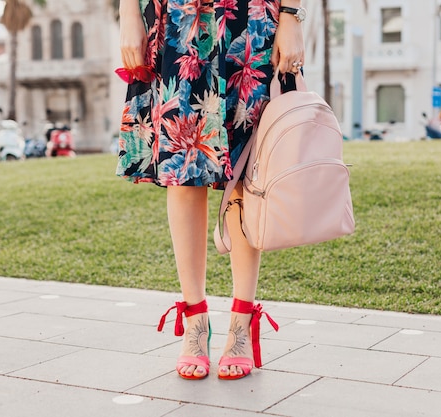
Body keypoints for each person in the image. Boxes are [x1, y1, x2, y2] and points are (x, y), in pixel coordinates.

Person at [116, 0, 305, 380]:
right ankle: (195, 322)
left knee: (249, 170)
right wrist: (127, 14)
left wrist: (290, 15)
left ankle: (241, 322)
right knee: (183, 168)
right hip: (177, 20)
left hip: (250, 17)